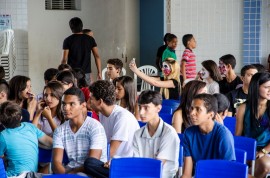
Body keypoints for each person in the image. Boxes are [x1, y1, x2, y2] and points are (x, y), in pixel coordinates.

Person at [84, 80, 139, 178]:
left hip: (126, 164)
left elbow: (111, 151)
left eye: (91, 98)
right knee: (89, 161)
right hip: (111, 163)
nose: (88, 102)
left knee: (89, 163)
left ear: (100, 101)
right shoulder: (103, 114)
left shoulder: (122, 117)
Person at [52, 87, 107, 175]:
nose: (66, 108)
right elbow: (56, 163)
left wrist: (71, 174)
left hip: (92, 174)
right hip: (69, 172)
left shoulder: (95, 127)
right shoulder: (59, 130)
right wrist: (64, 176)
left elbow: (92, 164)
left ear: (83, 105)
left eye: (71, 104)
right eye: (63, 104)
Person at [181, 94, 235, 178]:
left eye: (198, 109)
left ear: (210, 115)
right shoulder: (189, 133)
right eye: (192, 108)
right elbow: (187, 174)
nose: (192, 113)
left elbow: (228, 172)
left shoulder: (223, 134)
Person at [133, 90, 180, 178]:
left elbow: (157, 166)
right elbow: (136, 163)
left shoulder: (169, 133)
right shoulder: (137, 134)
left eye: (146, 108)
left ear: (158, 108)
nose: (141, 112)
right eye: (140, 107)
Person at [0, 101, 52, 177]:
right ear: (21, 117)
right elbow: (50, 142)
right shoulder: (31, 127)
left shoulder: (3, 136)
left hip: (14, 176)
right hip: (33, 174)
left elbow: (1, 158)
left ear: (2, 123)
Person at [236, 72, 270, 178]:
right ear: (256, 87)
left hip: (266, 149)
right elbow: (238, 135)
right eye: (266, 87)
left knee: (265, 165)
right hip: (246, 148)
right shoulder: (243, 107)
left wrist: (262, 152)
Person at [61, 17, 102, 83]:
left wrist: (62, 73)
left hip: (72, 73)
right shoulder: (90, 39)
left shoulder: (67, 40)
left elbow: (64, 60)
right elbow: (97, 56)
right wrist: (99, 72)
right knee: (86, 91)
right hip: (86, 73)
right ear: (82, 26)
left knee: (74, 92)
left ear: (71, 28)